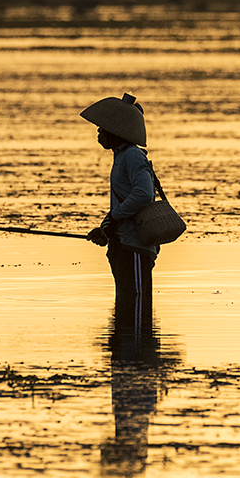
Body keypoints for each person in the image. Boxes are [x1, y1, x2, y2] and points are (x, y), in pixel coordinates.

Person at [80, 93, 159, 319]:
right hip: (124, 243)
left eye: (101, 128)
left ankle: (133, 351)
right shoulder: (121, 156)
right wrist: (107, 230)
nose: (98, 133)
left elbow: (144, 194)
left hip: (134, 247)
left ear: (114, 131)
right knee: (127, 304)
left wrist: (114, 217)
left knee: (136, 304)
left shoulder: (132, 156)